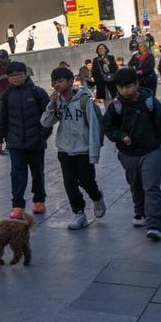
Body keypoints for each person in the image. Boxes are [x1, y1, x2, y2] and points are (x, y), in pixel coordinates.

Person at [103, 67, 161, 241]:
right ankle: (140, 212)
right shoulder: (116, 106)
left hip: (151, 151)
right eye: (121, 87)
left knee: (151, 187)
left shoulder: (149, 102)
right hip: (127, 153)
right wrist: (121, 136)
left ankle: (154, 225)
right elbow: (107, 127)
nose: (125, 91)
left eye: (128, 86)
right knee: (135, 184)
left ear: (136, 84)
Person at [41, 67, 106, 230]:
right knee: (69, 183)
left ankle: (97, 197)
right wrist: (51, 105)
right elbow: (45, 122)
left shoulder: (84, 101)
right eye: (54, 82)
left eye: (60, 81)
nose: (56, 85)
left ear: (71, 82)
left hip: (83, 151)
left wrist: (94, 154)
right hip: (65, 150)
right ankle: (79, 213)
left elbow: (94, 128)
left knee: (86, 181)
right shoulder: (57, 102)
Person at [0, 61, 51, 219]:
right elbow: (2, 119)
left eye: (18, 75)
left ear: (26, 75)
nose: (15, 78)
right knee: (17, 174)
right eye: (11, 76)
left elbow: (49, 117)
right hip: (15, 143)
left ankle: (39, 200)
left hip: (36, 142)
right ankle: (17, 205)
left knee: (37, 173)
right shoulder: (6, 96)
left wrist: (42, 135)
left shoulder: (38, 92)